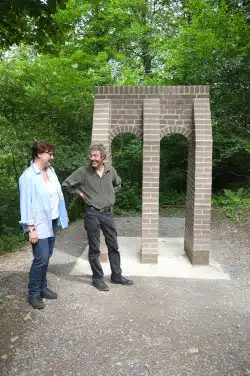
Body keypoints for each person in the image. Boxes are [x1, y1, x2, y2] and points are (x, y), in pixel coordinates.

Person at [62, 143, 133, 291]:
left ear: (103, 157)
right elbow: (66, 185)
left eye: (95, 156)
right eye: (91, 155)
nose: (92, 158)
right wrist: (79, 194)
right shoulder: (83, 172)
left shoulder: (110, 171)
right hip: (92, 213)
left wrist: (110, 195)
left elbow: (118, 184)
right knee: (94, 248)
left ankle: (116, 276)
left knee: (113, 246)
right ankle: (97, 278)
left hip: (108, 214)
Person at [19, 141, 68, 309]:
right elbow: (25, 204)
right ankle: (33, 293)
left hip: (52, 220)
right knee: (40, 258)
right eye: (50, 154)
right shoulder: (27, 177)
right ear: (39, 154)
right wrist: (30, 229)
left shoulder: (51, 171)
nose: (52, 157)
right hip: (38, 224)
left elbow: (57, 194)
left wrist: (62, 217)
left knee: (47, 256)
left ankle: (43, 287)